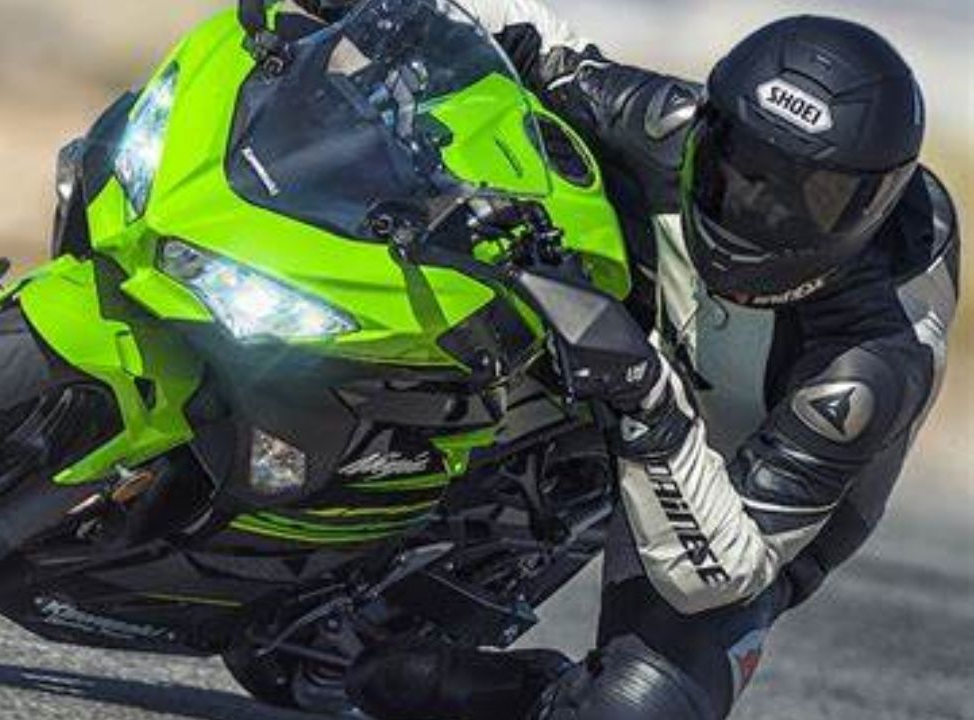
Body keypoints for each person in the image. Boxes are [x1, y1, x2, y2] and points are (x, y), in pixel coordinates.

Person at [285, 1, 962, 719]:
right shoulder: (673, 127)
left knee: (639, 709)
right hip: (623, 349)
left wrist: (647, 398)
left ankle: (535, 696)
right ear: (711, 125)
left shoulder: (870, 359)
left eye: (812, 199)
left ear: (871, 211)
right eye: (741, 165)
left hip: (726, 481)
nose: (756, 207)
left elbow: (728, 572)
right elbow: (538, 44)